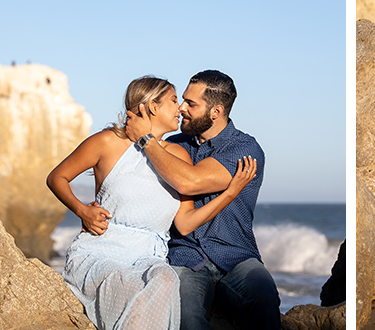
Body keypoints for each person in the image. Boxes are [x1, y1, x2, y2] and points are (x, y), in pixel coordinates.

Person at [47, 76, 257, 330]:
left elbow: (186, 222)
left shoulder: (178, 155)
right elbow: (57, 177)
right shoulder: (108, 142)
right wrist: (82, 210)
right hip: (104, 250)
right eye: (174, 101)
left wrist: (230, 193)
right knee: (132, 286)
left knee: (166, 280)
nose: (180, 108)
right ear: (153, 107)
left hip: (149, 256)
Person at [125, 70, 280, 330]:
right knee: (186, 316)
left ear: (216, 111)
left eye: (191, 104)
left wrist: (146, 140)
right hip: (186, 256)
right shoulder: (175, 145)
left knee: (263, 295)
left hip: (236, 256)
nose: (182, 108)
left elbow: (190, 181)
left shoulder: (244, 150)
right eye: (182, 100)